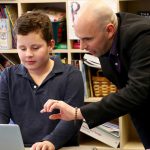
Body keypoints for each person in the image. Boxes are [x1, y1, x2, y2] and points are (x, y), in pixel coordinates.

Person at [40, 0, 150, 149]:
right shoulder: (103, 38)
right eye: (80, 38)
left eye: (87, 39)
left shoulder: (142, 35)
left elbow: (137, 92)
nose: (83, 46)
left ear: (109, 30)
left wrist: (77, 113)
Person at [0, 11, 84, 150]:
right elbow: (1, 116)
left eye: (35, 47)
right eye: (22, 48)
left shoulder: (72, 75)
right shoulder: (7, 76)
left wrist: (50, 142)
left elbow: (72, 119)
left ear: (51, 45)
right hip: (21, 147)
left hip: (60, 146)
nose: (28, 54)